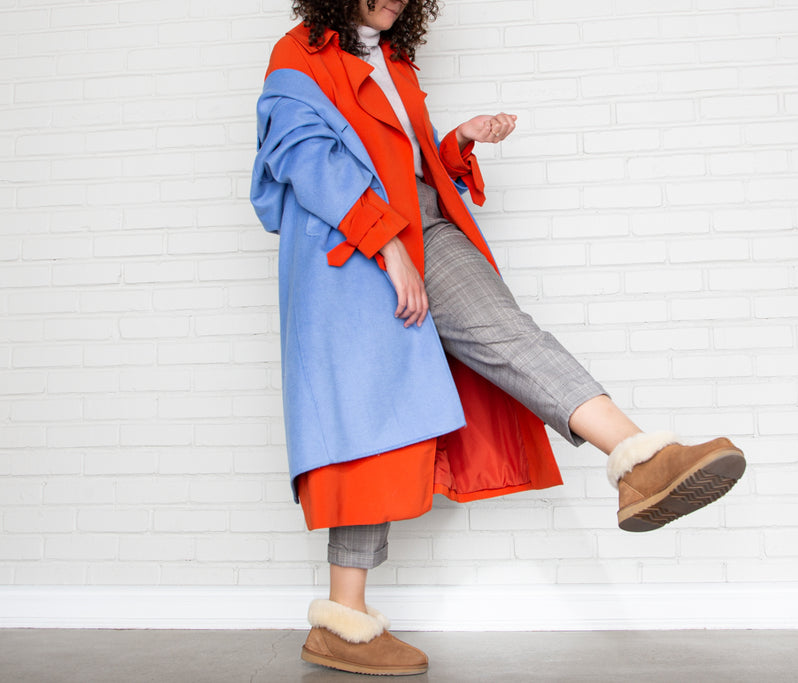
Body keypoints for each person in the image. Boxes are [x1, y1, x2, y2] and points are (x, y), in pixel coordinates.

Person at [251, 0, 747, 675]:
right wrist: (385, 245)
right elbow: (304, 157)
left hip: (423, 228)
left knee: (507, 334)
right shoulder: (296, 55)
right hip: (356, 249)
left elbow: (405, 158)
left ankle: (639, 459)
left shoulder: (395, 59)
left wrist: (453, 142)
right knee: (369, 430)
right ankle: (346, 623)